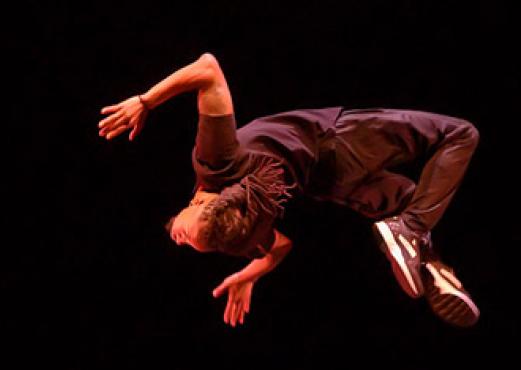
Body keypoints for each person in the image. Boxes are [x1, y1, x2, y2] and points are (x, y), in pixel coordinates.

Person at [98, 52, 481, 328]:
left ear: (200, 200)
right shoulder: (217, 171)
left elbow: (278, 246)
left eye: (182, 237)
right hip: (335, 144)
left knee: (413, 199)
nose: (180, 239)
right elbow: (208, 68)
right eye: (195, 242)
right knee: (459, 136)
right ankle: (411, 237)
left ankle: (430, 264)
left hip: (333, 179)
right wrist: (146, 101)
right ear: (202, 201)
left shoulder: (235, 204)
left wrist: (252, 270)